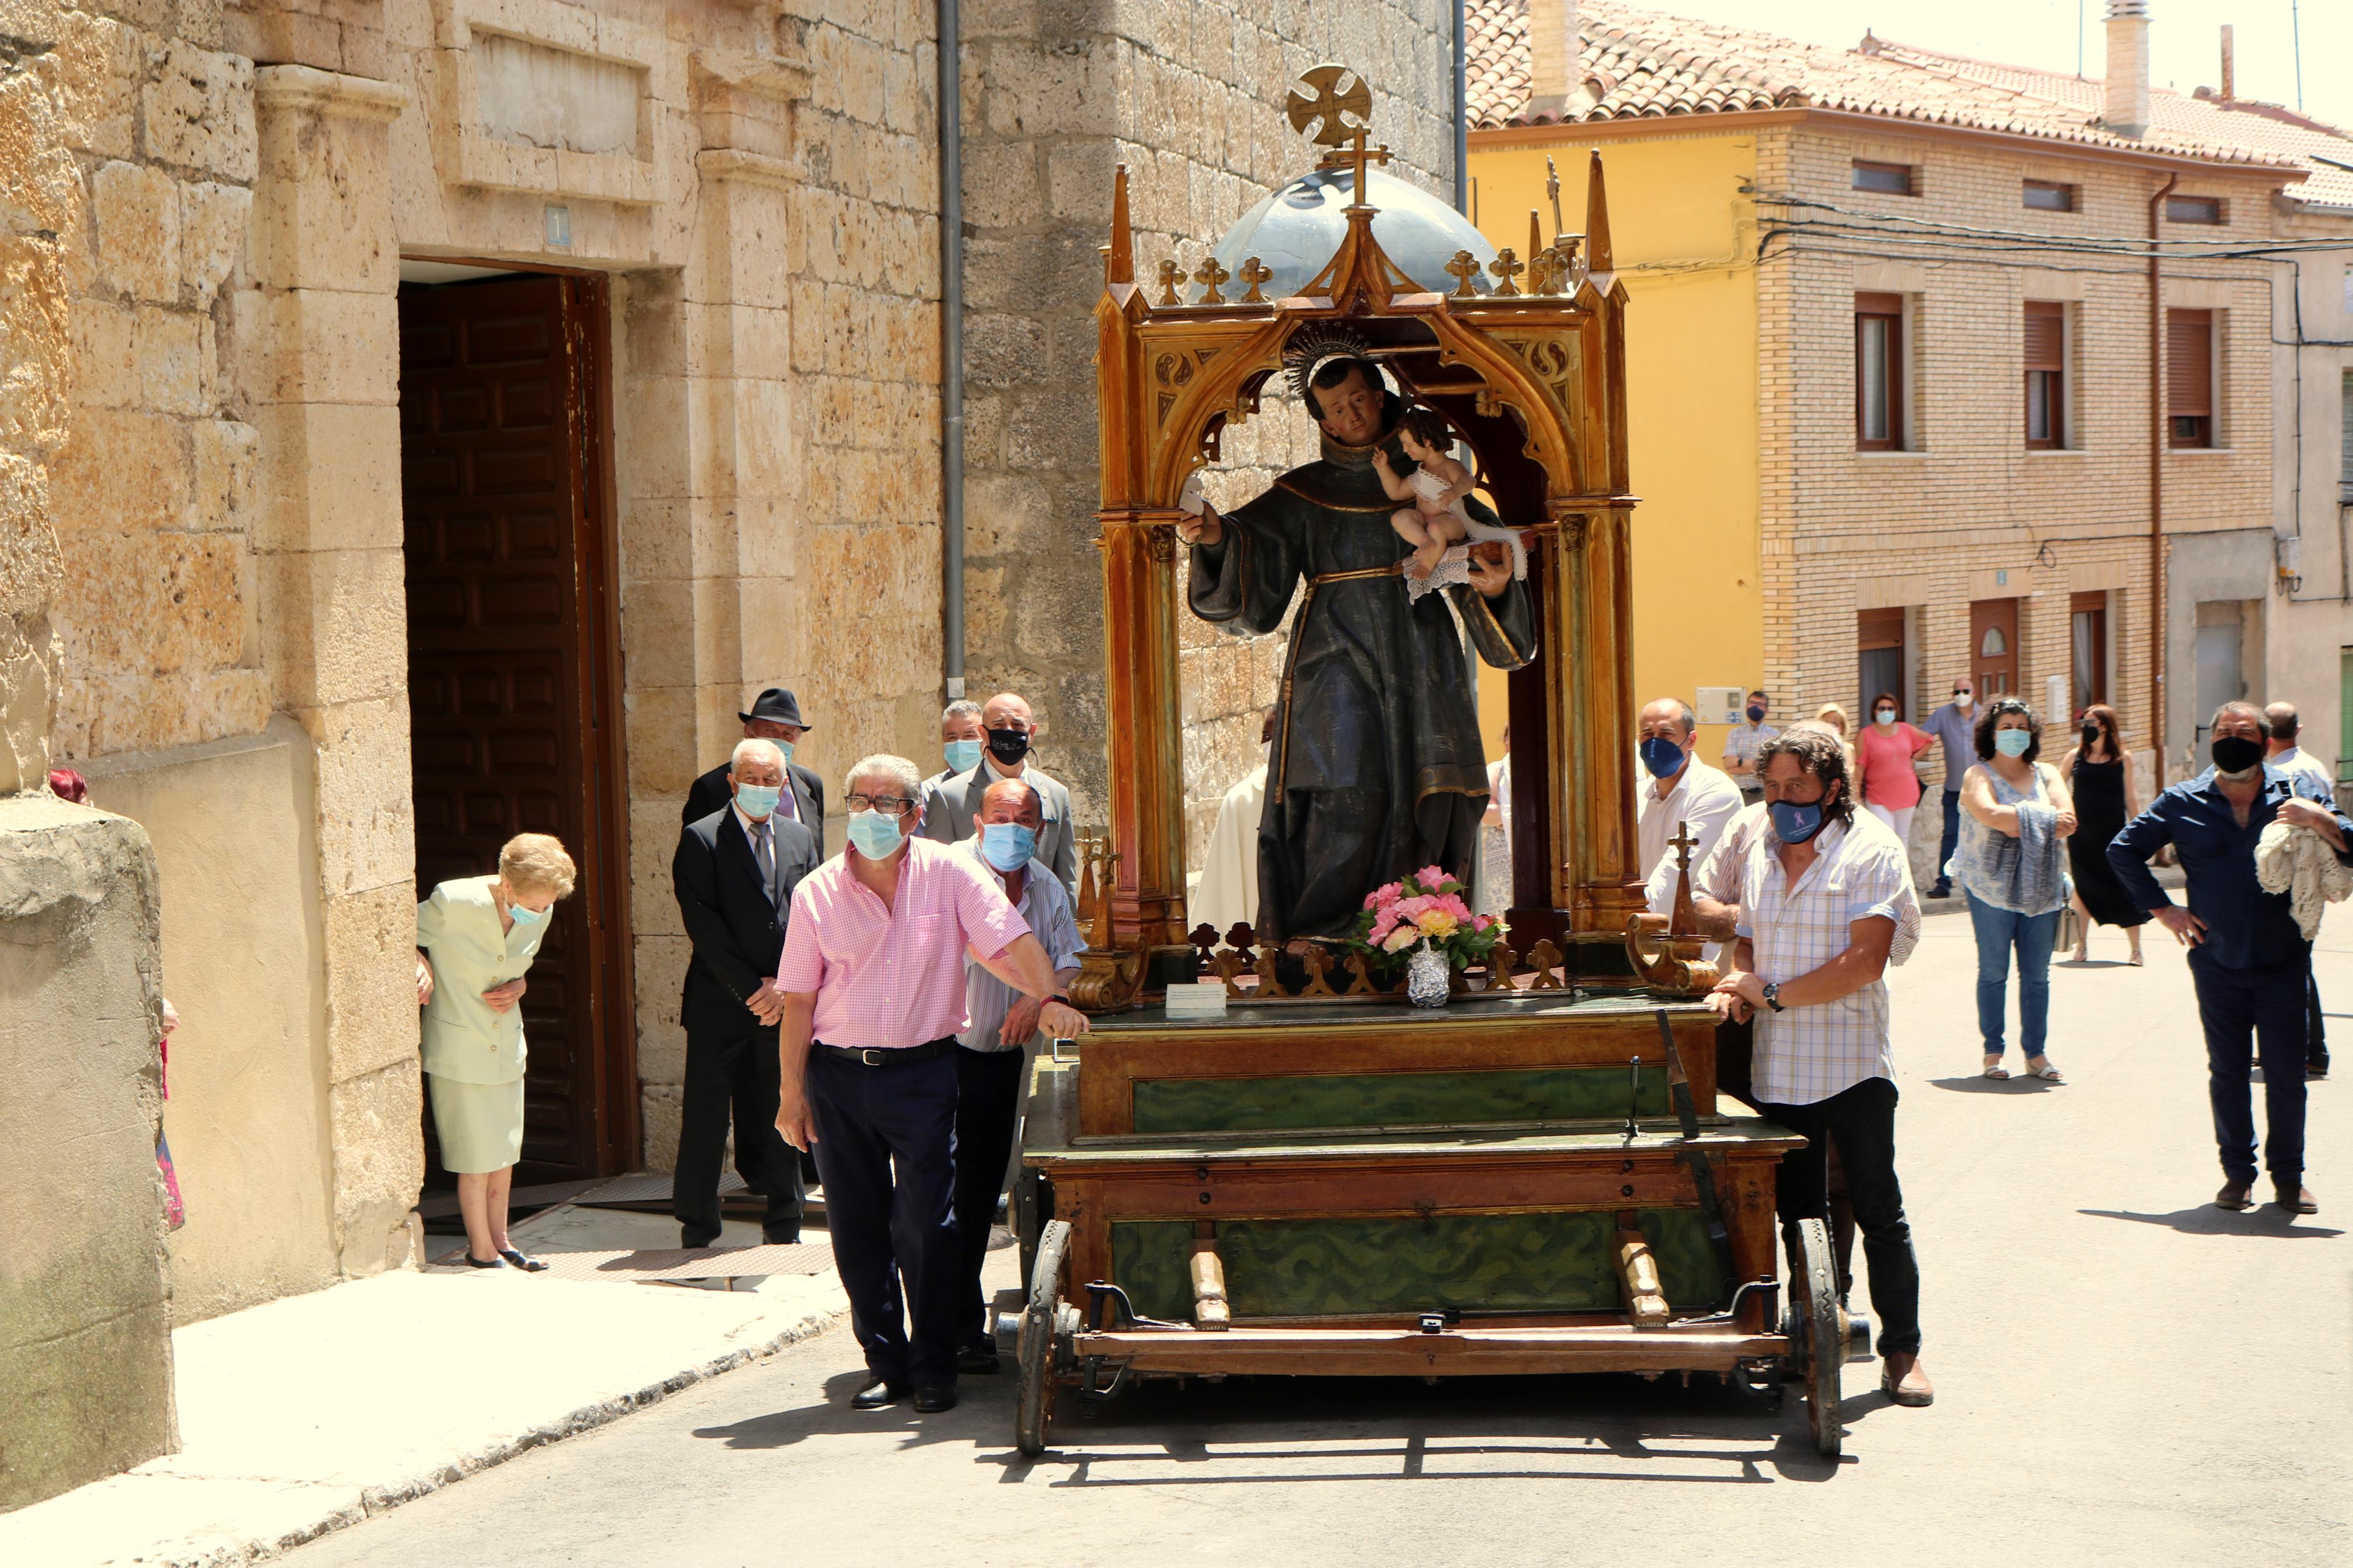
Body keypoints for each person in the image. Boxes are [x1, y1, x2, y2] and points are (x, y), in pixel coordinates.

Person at [1176, 340, 1537, 941]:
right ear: (1319, 420)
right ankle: (1329, 937)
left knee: (1433, 794)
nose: (1349, 417)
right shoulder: (1302, 492)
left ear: (1379, 396)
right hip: (1334, 660)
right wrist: (1215, 535)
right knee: (1345, 792)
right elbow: (1249, 562)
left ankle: (1425, 931)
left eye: (1356, 402)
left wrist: (1496, 586)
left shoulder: (1426, 480)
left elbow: (1475, 550)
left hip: (1421, 660)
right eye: (1333, 410)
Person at [773, 755, 1090, 1414]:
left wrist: (1048, 994)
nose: (868, 813)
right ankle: (886, 1362)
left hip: (922, 1072)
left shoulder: (950, 873)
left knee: (926, 1222)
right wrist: (791, 1094)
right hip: (837, 1076)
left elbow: (1008, 937)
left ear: (915, 815)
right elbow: (798, 1002)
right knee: (856, 1226)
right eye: (858, 800)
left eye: (885, 803)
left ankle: (936, 1361)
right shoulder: (816, 893)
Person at [1705, 727, 1930, 1407]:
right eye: (1770, 787)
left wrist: (1770, 993)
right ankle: (1807, 1337)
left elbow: (1865, 960)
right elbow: (1749, 939)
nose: (1779, 800)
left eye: (1794, 787)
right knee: (1795, 1213)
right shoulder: (1760, 851)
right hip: (1780, 1067)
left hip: (1852, 1061)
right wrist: (1733, 985)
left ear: (1832, 789)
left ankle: (1901, 1351)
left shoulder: (1873, 851)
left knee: (1877, 1206)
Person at [2109, 702, 2351, 1214]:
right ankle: (2236, 1175)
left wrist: (2320, 820)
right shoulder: (2182, 801)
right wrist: (2163, 910)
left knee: (2286, 1075)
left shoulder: (2295, 797)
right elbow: (2122, 848)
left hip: (2284, 960)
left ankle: (2289, 1179)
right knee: (2227, 1071)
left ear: (2266, 744)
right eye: (2223, 732)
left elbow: (2349, 841)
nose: (2232, 739)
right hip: (2214, 959)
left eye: (2244, 733)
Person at [951, 779, 1085, 1373]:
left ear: (1040, 828)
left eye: (1025, 818)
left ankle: (961, 1325)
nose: (1012, 827)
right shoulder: (950, 873)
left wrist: (1039, 998)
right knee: (939, 1199)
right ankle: (943, 1328)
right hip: (938, 1056)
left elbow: (1068, 959)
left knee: (980, 1191)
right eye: (1000, 816)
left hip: (999, 1060)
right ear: (978, 822)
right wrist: (1034, 986)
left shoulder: (1046, 884)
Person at [670, 739, 821, 1249]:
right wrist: (751, 987)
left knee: (783, 1108)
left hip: (783, 1001)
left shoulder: (800, 837)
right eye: (751, 778)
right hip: (720, 1002)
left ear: (784, 784)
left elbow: (809, 913)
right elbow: (702, 922)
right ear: (733, 782)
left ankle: (785, 1222)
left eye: (770, 779)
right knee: (706, 1118)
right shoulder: (702, 837)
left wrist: (785, 983)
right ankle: (697, 1225)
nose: (761, 787)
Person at [415, 833, 577, 1271]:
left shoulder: (540, 909)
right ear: (506, 884)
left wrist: (521, 984)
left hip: (506, 1041)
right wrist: (419, 960)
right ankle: (479, 1248)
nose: (539, 912)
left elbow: (516, 964)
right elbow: (399, 931)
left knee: (504, 1149)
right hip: (459, 1043)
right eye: (531, 902)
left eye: (546, 905)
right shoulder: (454, 900)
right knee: (474, 1154)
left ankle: (502, 1238)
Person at [1952, 698, 2075, 1083]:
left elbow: (2068, 820)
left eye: (2021, 725)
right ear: (1990, 732)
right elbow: (1988, 814)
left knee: (2037, 975)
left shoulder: (2047, 773)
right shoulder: (1977, 773)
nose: (2013, 733)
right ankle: (1993, 1052)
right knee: (1993, 972)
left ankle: (2035, 1054)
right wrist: (2040, 820)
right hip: (1989, 889)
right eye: (2005, 726)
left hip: (2041, 889)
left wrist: (2015, 821)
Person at [920, 691, 1079, 900]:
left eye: (1018, 724)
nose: (1009, 731)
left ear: (1032, 732)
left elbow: (1065, 878)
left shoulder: (1056, 794)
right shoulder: (949, 797)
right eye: (999, 725)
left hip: (1039, 925)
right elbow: (937, 877)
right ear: (984, 734)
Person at [2264, 702, 2336, 1078]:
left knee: (2291, 967)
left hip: (2289, 882)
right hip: (2309, 880)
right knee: (2295, 964)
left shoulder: (2280, 773)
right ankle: (2303, 1048)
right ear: (2298, 729)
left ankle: (2310, 1049)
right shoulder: (2315, 767)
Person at [683, 688, 826, 858]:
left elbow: (816, 856)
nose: (780, 738)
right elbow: (694, 861)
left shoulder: (810, 784)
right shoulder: (712, 788)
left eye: (789, 733)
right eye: (770, 730)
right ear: (749, 733)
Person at [2059, 703, 2146, 966]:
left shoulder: (2123, 758)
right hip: (2081, 835)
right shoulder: (2075, 756)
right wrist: (2060, 814)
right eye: (2083, 723)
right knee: (2083, 888)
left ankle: (2136, 950)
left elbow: (2130, 795)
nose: (2085, 728)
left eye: (2091, 723)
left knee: (2123, 886)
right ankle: (2082, 947)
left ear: (2105, 726)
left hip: (2113, 833)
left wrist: (2140, 828)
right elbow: (2058, 787)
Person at [1635, 696, 1741, 891]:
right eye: (1647, 734)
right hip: (1641, 917)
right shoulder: (1638, 796)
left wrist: (1637, 918)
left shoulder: (1716, 793)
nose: (1655, 743)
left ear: (1691, 740)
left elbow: (1676, 873)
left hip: (1688, 919)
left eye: (1666, 734)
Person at [1194, 711, 1273, 938]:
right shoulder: (1241, 800)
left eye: (1277, 736)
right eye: (1265, 737)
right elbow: (1226, 882)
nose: (1269, 745)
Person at [1918, 677, 1979, 899]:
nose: (1961, 695)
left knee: (1980, 835)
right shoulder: (1943, 715)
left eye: (1965, 691)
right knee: (1950, 835)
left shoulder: (1984, 717)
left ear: (1973, 693)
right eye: (1957, 691)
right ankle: (1944, 883)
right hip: (1954, 789)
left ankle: (1977, 881)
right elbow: (1924, 735)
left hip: (1980, 789)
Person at [1853, 694, 1933, 852]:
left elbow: (1929, 740)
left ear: (1896, 711)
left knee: (1903, 838)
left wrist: (1914, 759)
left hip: (1906, 794)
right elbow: (1859, 767)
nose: (1886, 712)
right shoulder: (1866, 735)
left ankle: (1901, 875)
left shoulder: (1906, 730)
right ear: (1875, 711)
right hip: (1878, 797)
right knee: (1885, 839)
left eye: (1890, 709)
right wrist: (1855, 797)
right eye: (1882, 708)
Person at [1720, 689, 1779, 803]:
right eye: (1752, 703)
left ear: (1767, 710)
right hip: (1741, 793)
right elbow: (1729, 766)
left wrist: (1739, 762)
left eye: (1760, 704)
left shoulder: (1774, 735)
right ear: (1746, 706)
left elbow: (1769, 767)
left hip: (1764, 794)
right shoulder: (1735, 734)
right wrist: (1756, 767)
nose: (1755, 707)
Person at [1479, 725, 1512, 919]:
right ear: (1504, 740)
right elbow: (1487, 811)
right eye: (1509, 736)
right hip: (1501, 850)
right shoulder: (1497, 769)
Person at [927, 699, 986, 788]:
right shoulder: (929, 792)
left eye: (969, 735)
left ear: (985, 738)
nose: (959, 743)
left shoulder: (1000, 784)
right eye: (952, 737)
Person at [1814, 703, 1854, 771]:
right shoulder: (1815, 752)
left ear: (1843, 728)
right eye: (1825, 723)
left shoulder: (1850, 750)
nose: (1829, 728)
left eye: (1834, 724)